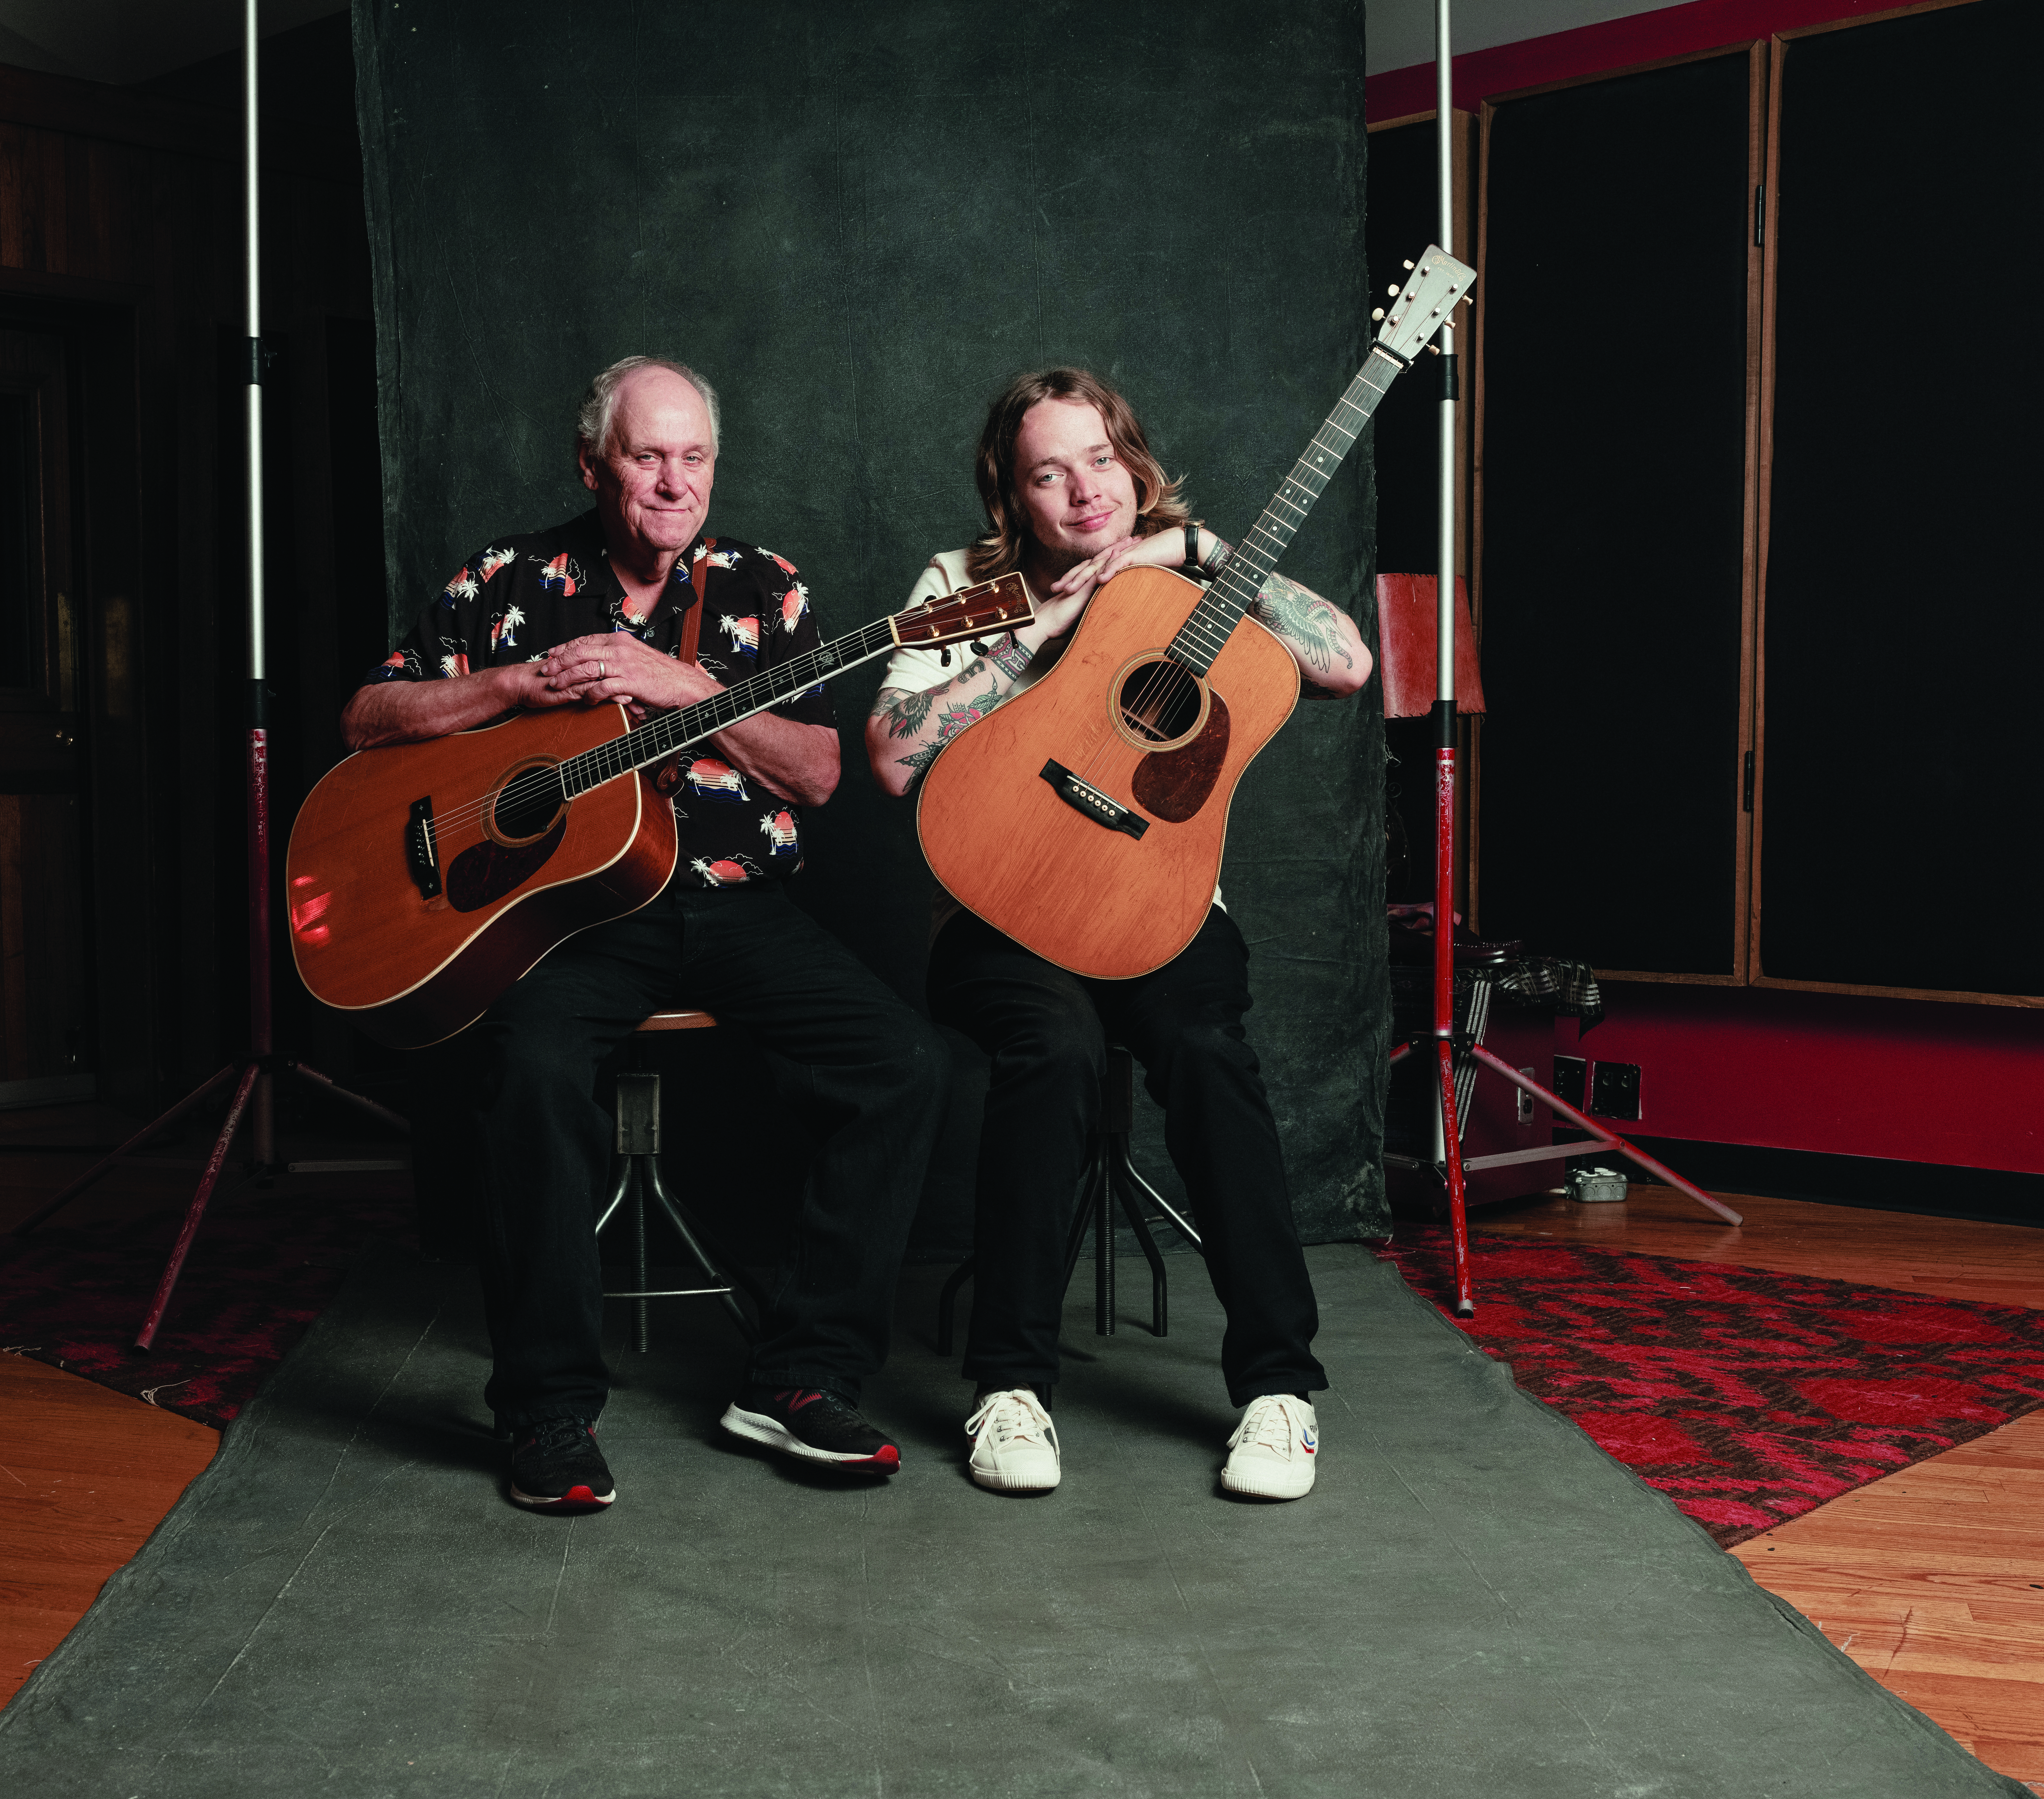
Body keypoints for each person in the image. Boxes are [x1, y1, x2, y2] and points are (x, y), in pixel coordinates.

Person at [343, 356, 948, 1512]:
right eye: (646, 455)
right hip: (569, 924)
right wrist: (513, 687)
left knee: (903, 1062)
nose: (674, 482)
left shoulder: (764, 588)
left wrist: (682, 686)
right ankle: (547, 1410)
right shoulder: (508, 579)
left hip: (734, 904)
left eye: (694, 457)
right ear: (593, 463)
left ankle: (802, 1377)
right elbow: (370, 715)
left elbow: (822, 775)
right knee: (530, 1066)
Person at [863, 367, 1371, 1502]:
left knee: (1203, 1050)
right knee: (1055, 1053)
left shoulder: (1196, 569)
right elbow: (895, 754)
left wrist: (1193, 555)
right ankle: (1011, 1390)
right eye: (1048, 473)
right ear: (1011, 494)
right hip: (1003, 904)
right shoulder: (965, 583)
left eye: (1099, 460)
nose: (1084, 493)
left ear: (1131, 458)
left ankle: (1280, 1393)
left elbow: (1345, 661)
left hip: (1161, 901)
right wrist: (1038, 631)